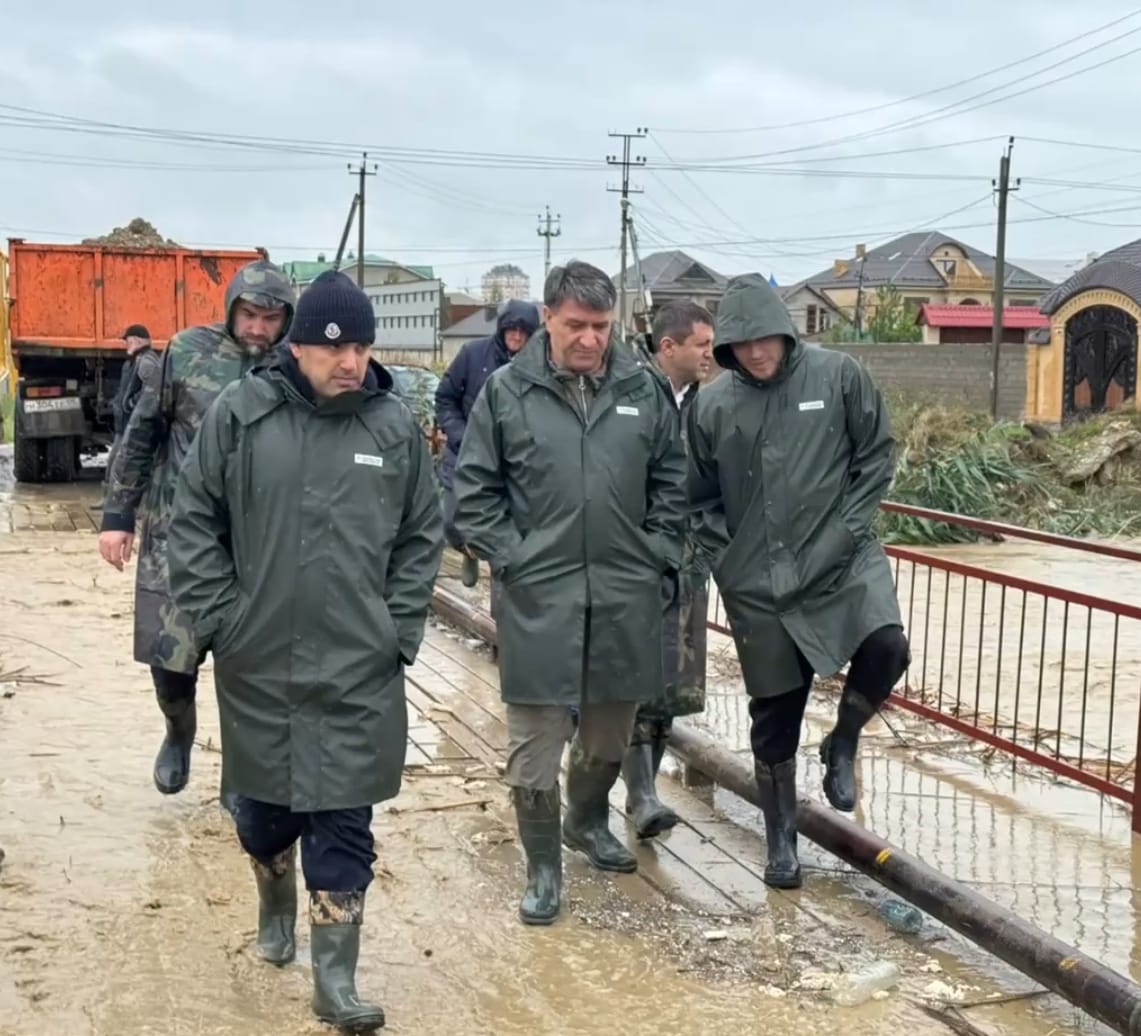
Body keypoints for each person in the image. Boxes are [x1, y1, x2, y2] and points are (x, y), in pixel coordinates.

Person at [167, 269, 443, 1031]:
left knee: (344, 819)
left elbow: (421, 534)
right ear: (297, 346)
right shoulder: (242, 413)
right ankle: (273, 897)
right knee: (262, 815)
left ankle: (335, 982)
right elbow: (193, 519)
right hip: (259, 657)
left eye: (361, 347)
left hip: (359, 663)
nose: (349, 362)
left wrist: (397, 631)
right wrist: (223, 619)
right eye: (333, 348)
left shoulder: (391, 427)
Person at [453, 260, 686, 926]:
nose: (589, 339)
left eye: (601, 327)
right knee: (534, 744)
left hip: (623, 593)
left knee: (609, 735)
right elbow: (474, 494)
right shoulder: (507, 392)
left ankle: (584, 821)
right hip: (539, 596)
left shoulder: (642, 390)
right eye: (576, 325)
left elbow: (673, 482)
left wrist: (658, 554)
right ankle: (542, 869)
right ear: (547, 319)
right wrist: (515, 558)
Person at [687, 273, 909, 890]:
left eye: (765, 338)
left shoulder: (839, 377)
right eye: (741, 343)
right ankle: (781, 838)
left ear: (785, 333)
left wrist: (848, 529)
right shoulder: (712, 406)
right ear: (727, 347)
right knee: (775, 711)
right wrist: (728, 561)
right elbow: (696, 496)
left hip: (841, 558)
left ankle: (843, 740)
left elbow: (875, 455)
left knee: (887, 645)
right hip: (757, 576)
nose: (756, 352)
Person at [97, 260, 295, 805]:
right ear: (231, 309)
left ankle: (242, 776)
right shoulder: (186, 351)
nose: (258, 328)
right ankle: (178, 731)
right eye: (249, 315)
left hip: (256, 546)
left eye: (271, 319)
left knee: (249, 668)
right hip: (177, 536)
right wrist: (117, 516)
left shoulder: (295, 366)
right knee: (171, 664)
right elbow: (143, 431)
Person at [623, 301, 714, 838]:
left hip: (688, 563)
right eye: (702, 344)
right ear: (668, 346)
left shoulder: (705, 403)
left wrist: (707, 543)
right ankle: (639, 795)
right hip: (638, 561)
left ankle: (645, 793)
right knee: (633, 678)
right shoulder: (633, 396)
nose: (709, 354)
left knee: (671, 685)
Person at [435, 298, 540, 587]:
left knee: (504, 522)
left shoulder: (536, 367)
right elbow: (445, 398)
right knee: (451, 520)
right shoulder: (473, 354)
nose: (516, 337)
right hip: (464, 451)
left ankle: (500, 572)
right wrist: (461, 435)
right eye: (511, 330)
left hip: (510, 457)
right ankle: (468, 549)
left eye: (523, 332)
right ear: (502, 329)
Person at [105, 324, 160, 477]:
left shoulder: (146, 361)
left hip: (132, 424)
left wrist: (130, 404)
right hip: (126, 424)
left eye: (128, 341)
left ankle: (112, 492)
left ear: (137, 341)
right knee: (116, 464)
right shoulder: (136, 360)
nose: (126, 345)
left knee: (117, 465)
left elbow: (152, 389)